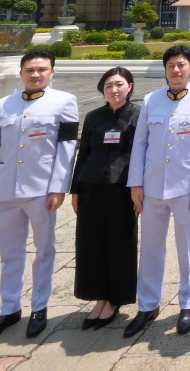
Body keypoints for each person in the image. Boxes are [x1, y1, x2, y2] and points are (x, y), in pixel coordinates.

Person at [0, 49, 79, 343]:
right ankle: (9, 308)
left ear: (52, 72)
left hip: (41, 190)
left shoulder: (64, 102)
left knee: (44, 250)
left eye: (42, 69)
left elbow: (67, 148)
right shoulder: (4, 104)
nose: (35, 74)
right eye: (30, 70)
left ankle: (39, 307)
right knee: (10, 253)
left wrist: (59, 187)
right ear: (21, 74)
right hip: (5, 189)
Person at [125, 45, 190, 338]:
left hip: (186, 185)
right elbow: (140, 143)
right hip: (152, 186)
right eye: (171, 66)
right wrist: (135, 183)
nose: (176, 70)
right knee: (151, 247)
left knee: (188, 246)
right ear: (165, 70)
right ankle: (148, 304)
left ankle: (188, 303)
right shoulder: (152, 100)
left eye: (181, 65)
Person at [71, 67, 139, 330]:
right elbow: (83, 153)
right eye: (109, 85)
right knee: (91, 244)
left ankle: (115, 299)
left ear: (130, 86)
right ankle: (98, 297)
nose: (114, 90)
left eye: (119, 84)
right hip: (91, 187)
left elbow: (141, 153)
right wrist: (75, 189)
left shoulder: (137, 115)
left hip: (122, 188)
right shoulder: (93, 117)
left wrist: (139, 186)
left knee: (119, 243)